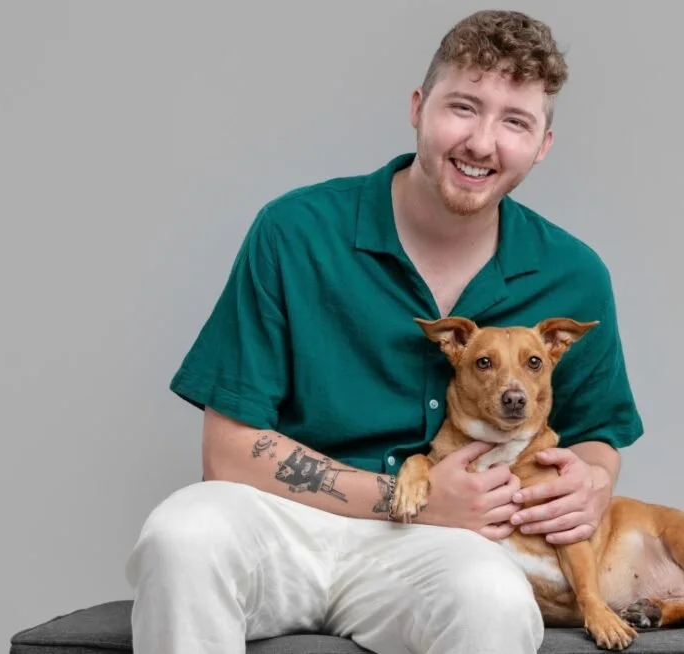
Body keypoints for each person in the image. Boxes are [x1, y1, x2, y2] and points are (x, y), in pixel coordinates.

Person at [125, 9, 644, 654]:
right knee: (182, 534)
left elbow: (597, 436)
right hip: (284, 523)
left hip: (443, 549)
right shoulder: (295, 231)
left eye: (515, 122)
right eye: (463, 107)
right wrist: (411, 495)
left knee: (493, 599)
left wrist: (594, 480)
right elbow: (226, 454)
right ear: (419, 108)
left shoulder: (574, 274)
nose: (482, 143)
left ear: (542, 144)